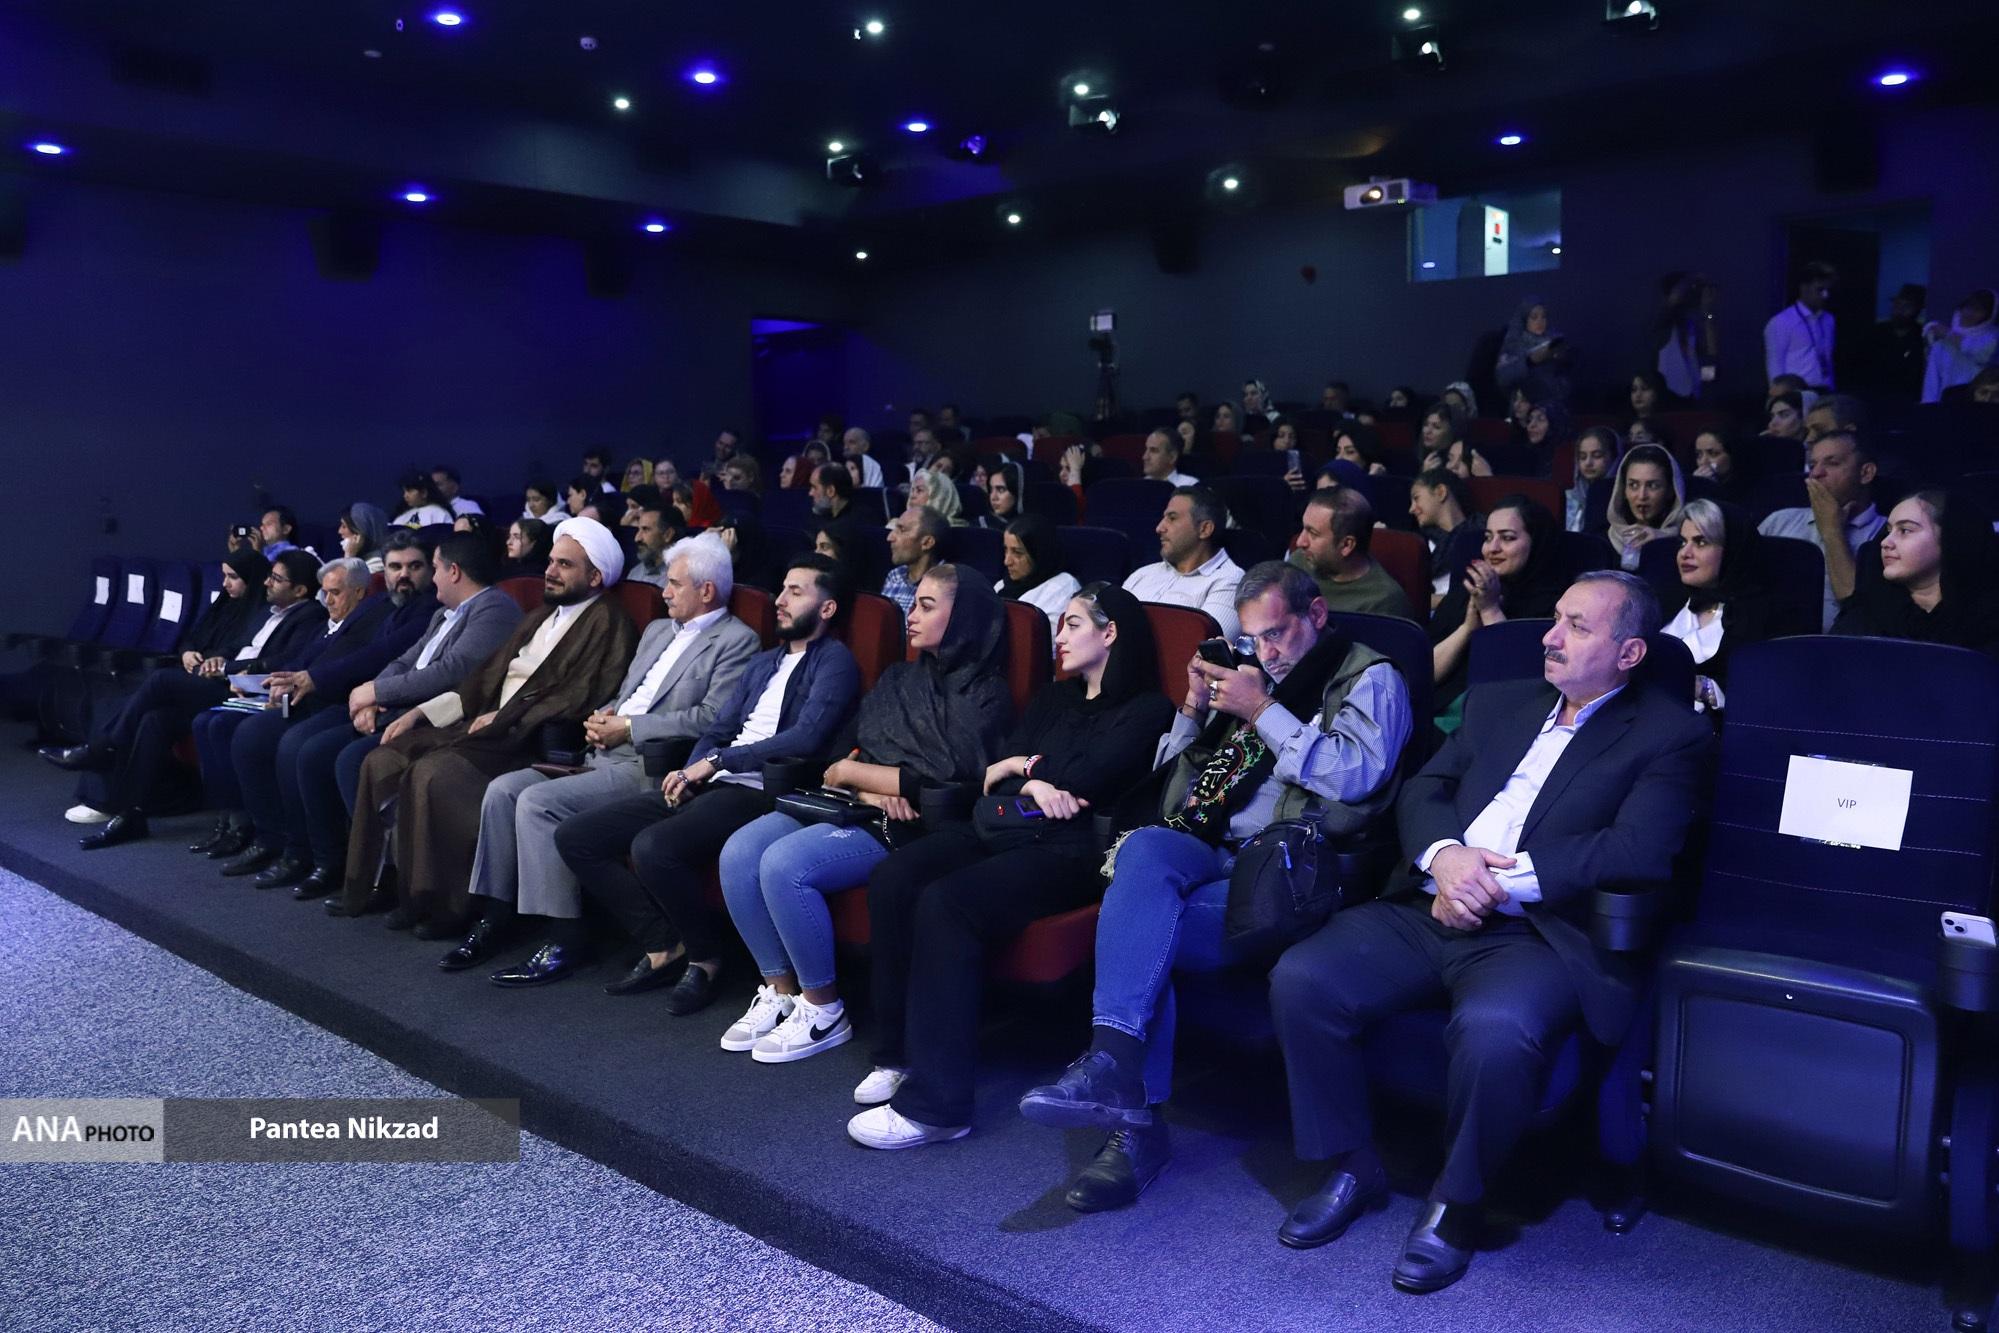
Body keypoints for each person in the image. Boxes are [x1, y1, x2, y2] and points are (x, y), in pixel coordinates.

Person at [1267, 571, 1710, 1294]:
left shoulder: (1669, 734)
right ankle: (1351, 1162)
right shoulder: (1502, 702)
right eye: (1555, 617)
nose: (1550, 636)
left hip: (1537, 932)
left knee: (1497, 1031)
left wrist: (1492, 884)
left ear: (1629, 653)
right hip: (1429, 905)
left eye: (1576, 626)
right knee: (1303, 977)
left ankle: (1455, 1202)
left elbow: (1637, 850)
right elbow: (1424, 787)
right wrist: (1446, 860)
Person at [1016, 562, 1413, 1209]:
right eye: (1255, 638)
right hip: (1214, 848)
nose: (1267, 652)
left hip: (1294, 868)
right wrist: (1195, 711)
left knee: (1145, 935)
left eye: (1278, 633)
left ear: (1316, 615)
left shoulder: (1368, 678)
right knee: (1144, 849)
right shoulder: (1253, 677)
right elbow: (1178, 790)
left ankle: (1132, 1122)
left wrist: (1263, 710)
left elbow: (1355, 779)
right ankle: (1113, 1062)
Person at [850, 586, 1171, 1148]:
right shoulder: (1053, 697)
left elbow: (1088, 781)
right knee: (895, 877)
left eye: (1073, 624)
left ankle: (938, 1107)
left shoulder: (1148, 709)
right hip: (1005, 826)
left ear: (1110, 632)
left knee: (947, 903)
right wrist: (1032, 778)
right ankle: (898, 1055)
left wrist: (1023, 770)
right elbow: (995, 776)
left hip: (1071, 851)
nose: (1060, 637)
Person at [713, 564, 1012, 1063]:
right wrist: (867, 783)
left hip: (915, 823)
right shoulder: (898, 677)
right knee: (739, 852)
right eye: (913, 604)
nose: (911, 616)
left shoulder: (986, 693)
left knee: (784, 865)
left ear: (963, 617)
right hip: (856, 804)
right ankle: (781, 992)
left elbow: (951, 781)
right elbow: (839, 762)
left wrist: (862, 775)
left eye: (927, 606)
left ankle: (824, 1009)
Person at [550, 555, 863, 1013]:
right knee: (577, 836)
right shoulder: (765, 662)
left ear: (827, 608)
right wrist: (691, 770)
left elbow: (805, 738)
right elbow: (719, 728)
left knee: (654, 846)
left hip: (764, 790)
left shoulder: (835, 662)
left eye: (796, 592)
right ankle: (663, 943)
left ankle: (706, 958)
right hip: (717, 780)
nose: (780, 600)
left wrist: (715, 762)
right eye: (781, 589)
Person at [452, 534, 761, 981]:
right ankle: (496, 916)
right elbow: (629, 693)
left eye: (674, 584)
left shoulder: (736, 641)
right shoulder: (658, 631)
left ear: (707, 590)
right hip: (603, 752)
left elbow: (712, 718)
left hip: (649, 765)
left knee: (538, 803)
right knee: (503, 791)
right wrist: (607, 715)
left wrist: (630, 727)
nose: (664, 592)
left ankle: (566, 937)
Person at [336, 517, 639, 935]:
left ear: (595, 576)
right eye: (551, 561)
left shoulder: (607, 620)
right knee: (382, 759)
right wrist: (420, 714)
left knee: (432, 774)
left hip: (524, 737)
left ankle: (449, 905)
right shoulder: (541, 615)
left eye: (565, 565)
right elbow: (481, 680)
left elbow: (579, 694)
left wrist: (505, 715)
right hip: (486, 725)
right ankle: (395, 888)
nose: (550, 571)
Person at [304, 534, 524, 910]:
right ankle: (339, 863)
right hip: (399, 709)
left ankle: (387, 877)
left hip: (442, 717)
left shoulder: (495, 608)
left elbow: (453, 670)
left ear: (454, 572)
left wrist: (377, 692)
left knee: (350, 760)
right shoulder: (443, 613)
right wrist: (374, 695)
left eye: (434, 568)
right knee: (315, 752)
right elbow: (406, 661)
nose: (432, 578)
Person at [56, 550, 329, 847]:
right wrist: (217, 658)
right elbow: (237, 646)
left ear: (299, 590)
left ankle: (107, 745)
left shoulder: (310, 616)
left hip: (246, 689)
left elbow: (284, 660)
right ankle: (131, 813)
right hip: (227, 679)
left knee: (161, 680)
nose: (267, 582)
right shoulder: (268, 612)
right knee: (155, 720)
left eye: (276, 578)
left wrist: (226, 667)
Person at [199, 556, 390, 880]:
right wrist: (275, 681)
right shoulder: (329, 624)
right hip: (302, 700)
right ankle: (265, 835)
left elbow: (349, 667)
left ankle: (309, 853)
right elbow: (299, 661)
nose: (328, 600)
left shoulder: (369, 620)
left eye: (335, 593)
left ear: (359, 592)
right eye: (325, 593)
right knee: (242, 732)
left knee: (288, 743)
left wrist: (295, 681)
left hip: (336, 703)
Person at [1428, 497, 1568, 724]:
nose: (1492, 549)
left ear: (1536, 543)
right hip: (1436, 712)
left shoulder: (1558, 606)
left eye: (1507, 538)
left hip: (1505, 720)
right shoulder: (1469, 590)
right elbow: (1425, 675)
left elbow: (1524, 682)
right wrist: (1467, 629)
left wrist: (1490, 610)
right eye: (1488, 538)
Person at [1662, 500, 1796, 713]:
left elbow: (1764, 694)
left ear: (1732, 550)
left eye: (1701, 542)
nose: (1685, 553)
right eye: (1683, 542)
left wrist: (1702, 688)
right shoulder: (1666, 598)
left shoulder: (1764, 618)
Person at [1833, 490, 1999, 655]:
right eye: (1888, 531)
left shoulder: (1988, 619)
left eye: (1905, 530)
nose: (1885, 542)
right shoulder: (1864, 615)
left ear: (1951, 538)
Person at [1758, 431, 1884, 631]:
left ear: (1866, 473)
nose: (1816, 473)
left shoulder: (1888, 533)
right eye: (1812, 465)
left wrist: (1832, 530)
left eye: (1832, 463)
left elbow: (1857, 606)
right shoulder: (1779, 521)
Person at [1122, 486, 1246, 638]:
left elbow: (1203, 646)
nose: (1159, 528)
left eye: (1172, 518)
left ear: (1205, 529)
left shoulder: (1230, 581)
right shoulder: (1142, 574)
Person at [1290, 488, 1416, 621]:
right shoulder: (1299, 562)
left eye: (1313, 533)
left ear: (1346, 545)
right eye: (1303, 528)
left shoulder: (1384, 603)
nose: (1300, 542)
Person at [996, 514, 1080, 644]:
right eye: (1006, 550)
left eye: (1017, 552)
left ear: (1039, 553)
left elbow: (1046, 645)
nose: (1007, 561)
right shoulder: (1003, 585)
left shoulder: (1064, 589)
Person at [1604, 443, 1685, 571]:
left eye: (1653, 486)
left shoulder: (1685, 542)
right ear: (1622, 490)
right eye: (1633, 485)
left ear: (1671, 491)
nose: (1642, 496)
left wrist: (1663, 539)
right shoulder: (1604, 541)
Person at [1410, 469, 1482, 607]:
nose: (1412, 509)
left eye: (1416, 498)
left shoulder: (1484, 536)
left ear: (1440, 492)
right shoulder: (1417, 542)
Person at [1764, 261, 1838, 395]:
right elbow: (1775, 366)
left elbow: (1827, 360)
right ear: (1804, 288)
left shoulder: (1828, 320)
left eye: (1828, 290)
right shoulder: (1781, 322)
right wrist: (1780, 398)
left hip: (1825, 391)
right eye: (1820, 289)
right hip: (1797, 394)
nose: (1825, 295)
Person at [1922, 288, 1999, 404]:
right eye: (1968, 307)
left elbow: (1979, 353)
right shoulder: (1942, 343)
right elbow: (1931, 382)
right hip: (1947, 405)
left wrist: (1948, 334)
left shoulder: (1993, 337)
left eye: (1978, 310)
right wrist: (1928, 408)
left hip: (1979, 404)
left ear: (1989, 315)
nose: (1970, 313)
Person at [1857, 283, 1929, 402]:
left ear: (1917, 310)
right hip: (1874, 397)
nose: (1900, 310)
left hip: (1907, 400)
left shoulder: (1921, 337)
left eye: (1907, 306)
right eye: (1897, 304)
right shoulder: (1876, 332)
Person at [1495, 298, 1573, 402]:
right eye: (1534, 317)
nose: (1540, 321)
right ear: (1524, 319)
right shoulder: (1514, 344)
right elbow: (1503, 378)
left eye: (1543, 317)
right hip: (1524, 404)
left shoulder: (1554, 341)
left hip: (1552, 405)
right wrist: (1530, 360)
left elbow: (1563, 380)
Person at [881, 507, 946, 618]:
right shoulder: (894, 576)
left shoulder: (947, 585)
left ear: (927, 542)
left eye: (902, 530)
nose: (889, 537)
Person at [1565, 427, 1620, 533]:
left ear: (1614, 457)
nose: (1588, 463)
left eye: (1597, 456)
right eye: (1582, 457)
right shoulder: (1570, 496)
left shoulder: (1619, 497)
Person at [340, 503, 389, 574]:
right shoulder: (361, 559)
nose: (340, 531)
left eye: (344, 526)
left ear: (359, 533)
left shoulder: (378, 564)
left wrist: (349, 555)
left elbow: (345, 580)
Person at [979, 461, 1025, 531]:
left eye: (1001, 490)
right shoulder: (979, 526)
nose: (993, 497)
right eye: (991, 490)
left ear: (1018, 491)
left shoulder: (1034, 527)